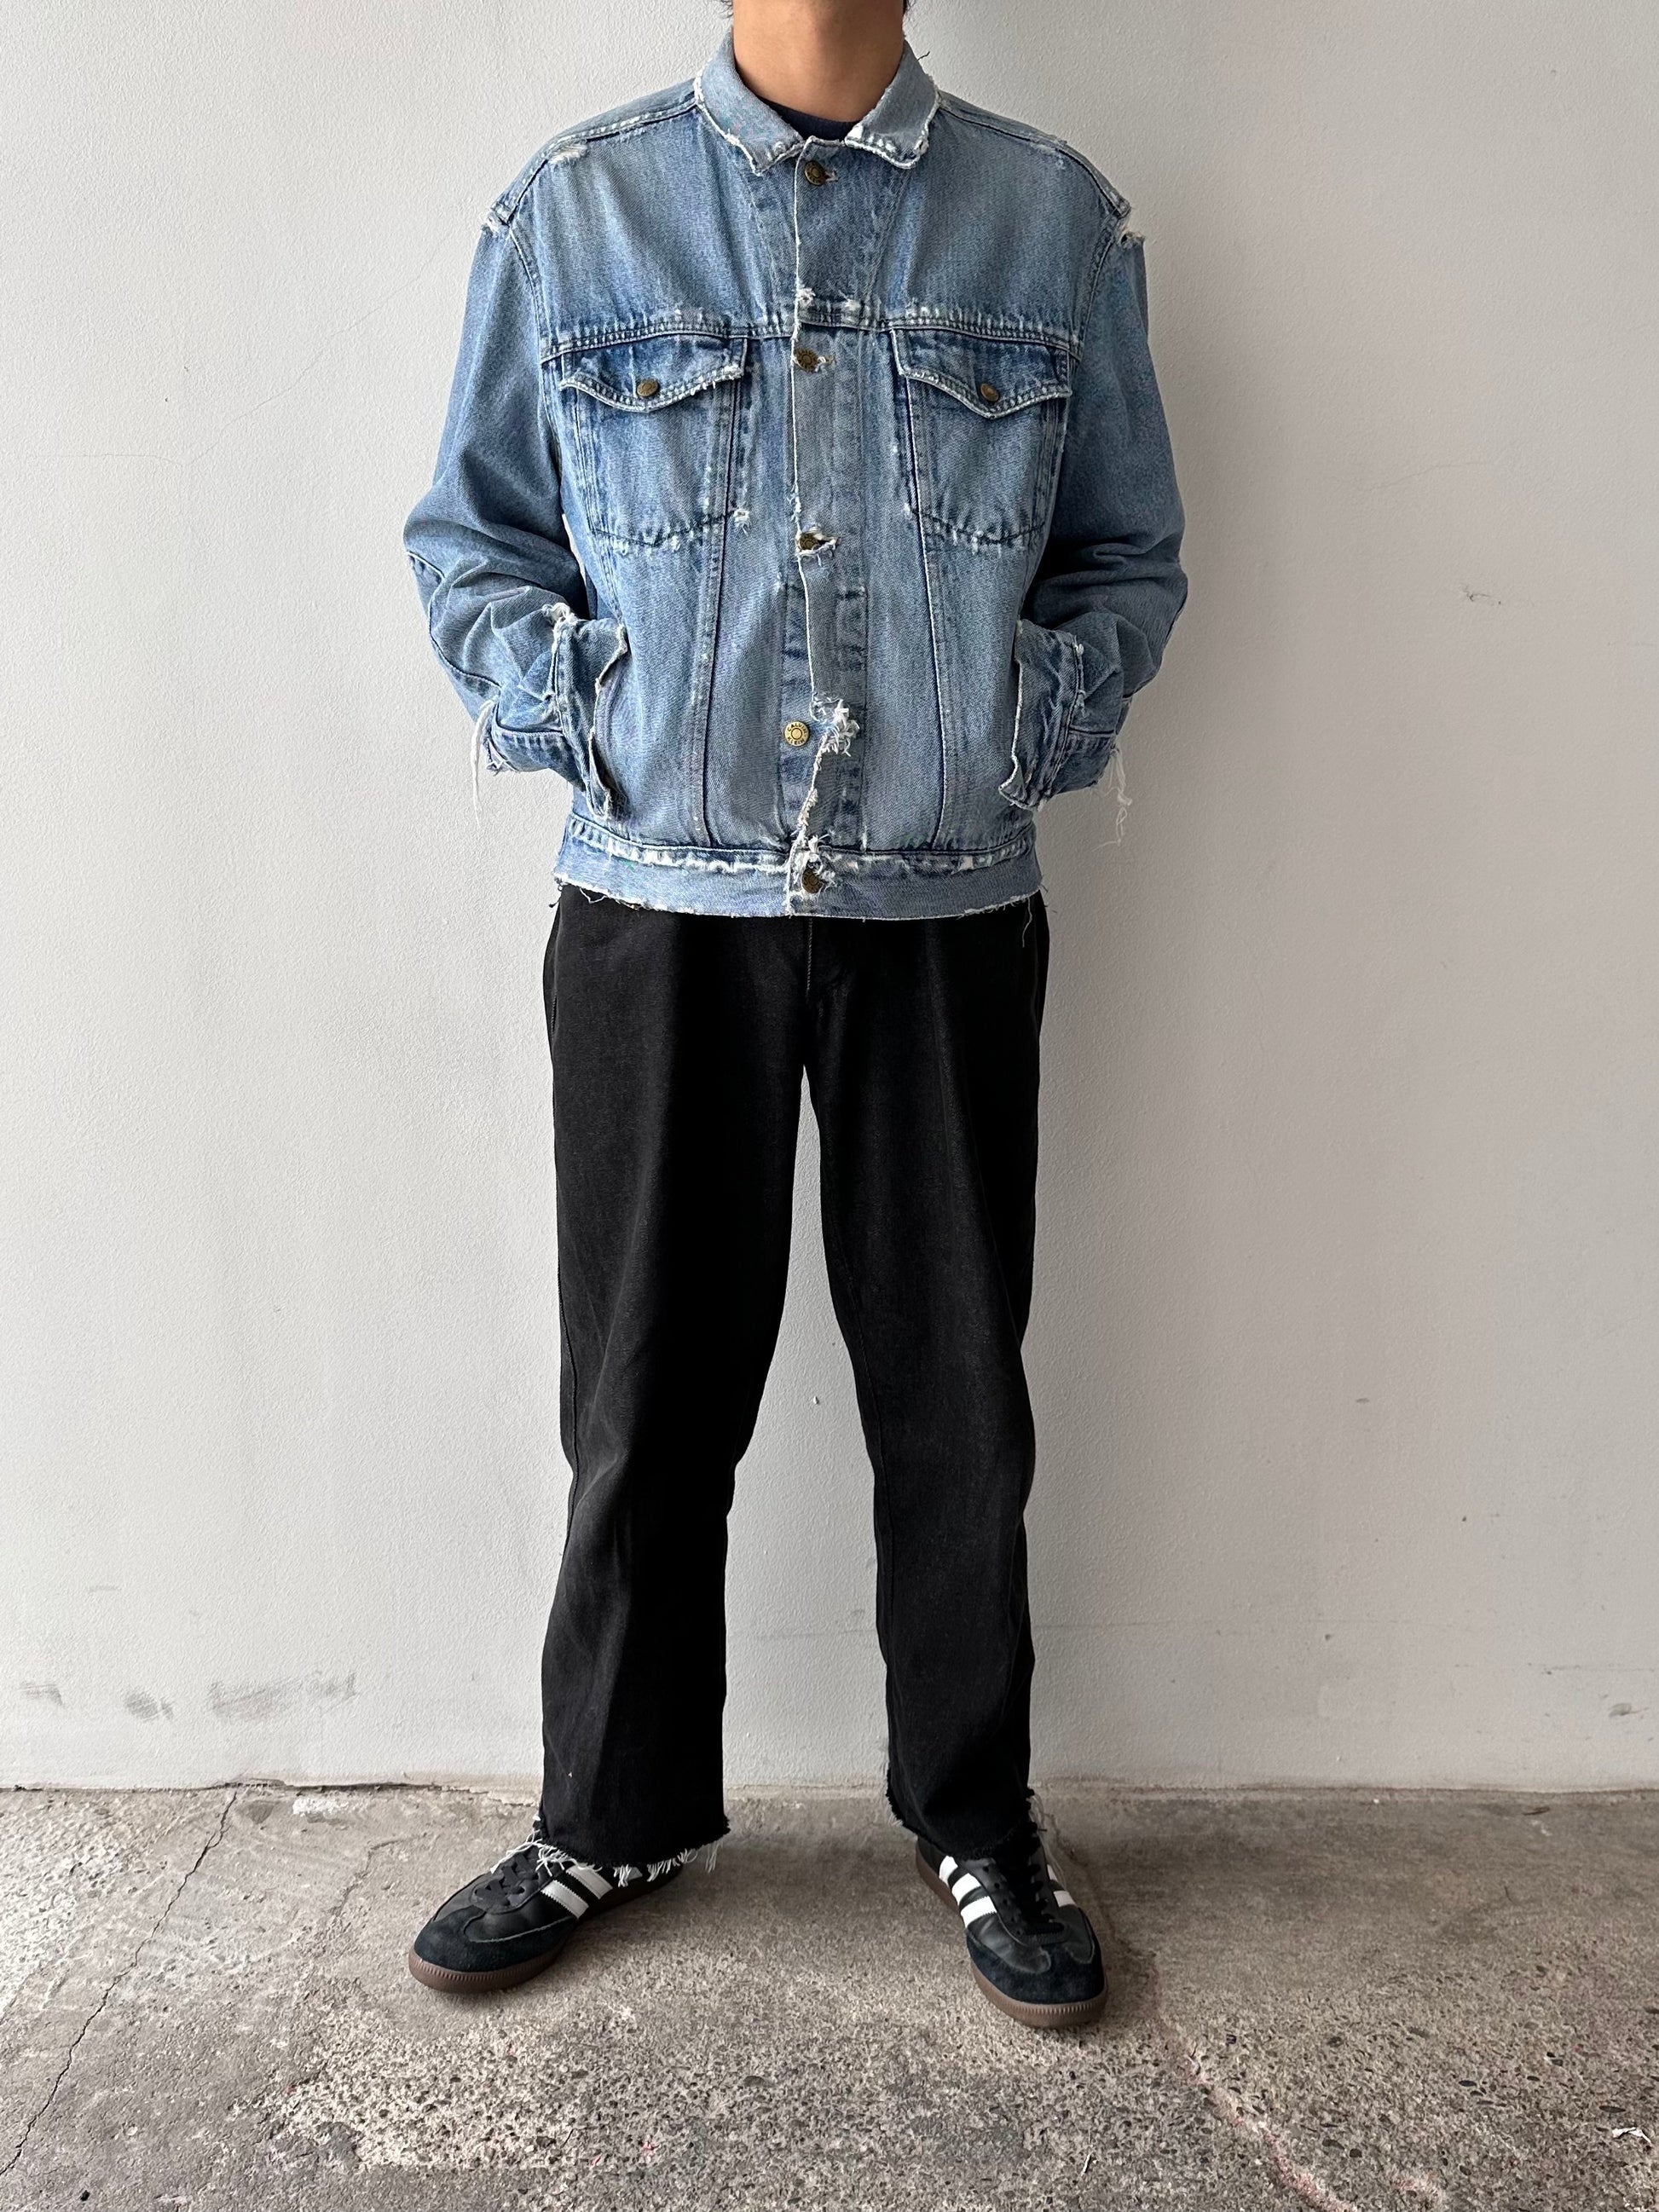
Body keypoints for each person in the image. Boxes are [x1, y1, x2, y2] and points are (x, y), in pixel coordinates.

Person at [400, 0, 1187, 2030]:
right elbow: (473, 538)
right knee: (642, 1393)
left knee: (957, 1393)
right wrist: (592, 714)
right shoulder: (576, 215)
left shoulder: (1049, 223)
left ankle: (977, 1810)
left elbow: (1124, 555)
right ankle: (610, 1807)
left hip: (944, 900)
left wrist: (1022, 720)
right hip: (659, 903)